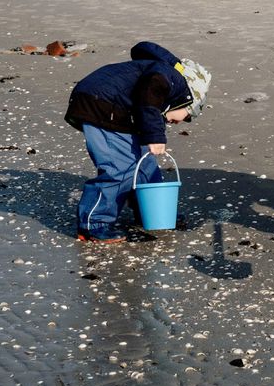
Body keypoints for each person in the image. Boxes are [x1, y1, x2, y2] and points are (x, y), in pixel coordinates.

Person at [65, 42, 210, 243]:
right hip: (100, 105)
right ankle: (94, 223)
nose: (177, 122)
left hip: (115, 109)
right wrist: (155, 136)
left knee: (145, 164)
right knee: (119, 168)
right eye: (187, 116)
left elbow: (147, 96)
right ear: (190, 100)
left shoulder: (166, 75)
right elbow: (148, 97)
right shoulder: (171, 79)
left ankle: (151, 212)